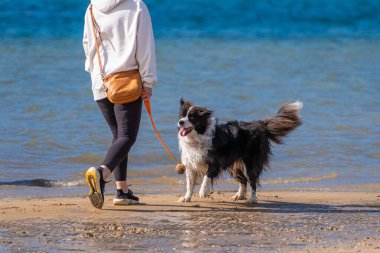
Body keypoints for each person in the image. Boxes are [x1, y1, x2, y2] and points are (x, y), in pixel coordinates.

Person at [82, 0, 156, 208]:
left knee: (118, 136)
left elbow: (87, 44)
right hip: (126, 81)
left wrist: (95, 73)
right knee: (127, 136)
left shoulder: (92, 7)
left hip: (100, 80)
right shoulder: (137, 6)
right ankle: (101, 173)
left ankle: (122, 191)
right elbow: (146, 46)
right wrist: (148, 81)